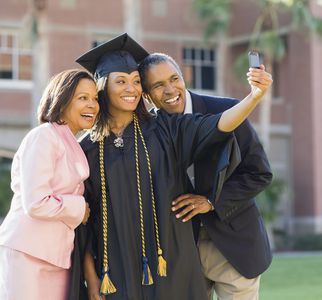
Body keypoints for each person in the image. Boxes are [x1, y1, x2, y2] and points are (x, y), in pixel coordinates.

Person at [74, 33, 272, 300]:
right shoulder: (92, 146)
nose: (168, 90)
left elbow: (226, 132)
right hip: (146, 258)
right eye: (121, 81)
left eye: (174, 79)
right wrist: (91, 276)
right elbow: (87, 221)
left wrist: (254, 97)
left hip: (215, 249)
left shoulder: (169, 127)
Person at [139, 52, 273, 300]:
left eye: (174, 79)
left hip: (234, 247)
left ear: (184, 77)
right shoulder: (148, 132)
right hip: (182, 253)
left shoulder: (227, 110)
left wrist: (211, 201)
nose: (170, 90)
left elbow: (260, 173)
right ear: (146, 96)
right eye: (158, 85)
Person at [0, 69, 98, 300]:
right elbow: (36, 202)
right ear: (62, 100)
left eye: (95, 99)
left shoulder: (70, 141)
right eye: (83, 98)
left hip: (56, 256)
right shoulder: (44, 136)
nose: (92, 105)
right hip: (27, 253)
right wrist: (80, 208)